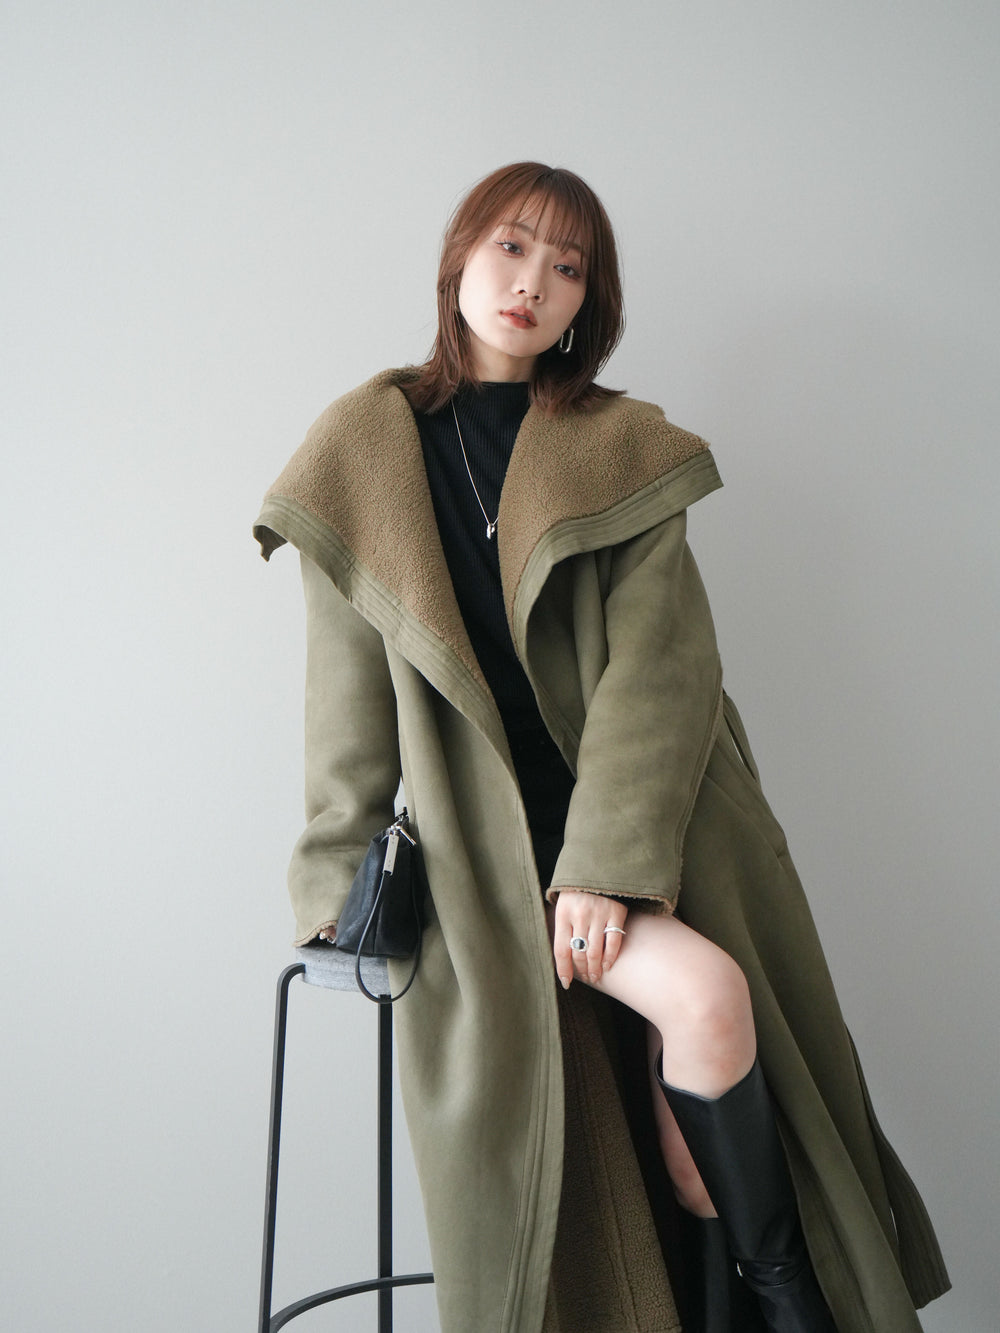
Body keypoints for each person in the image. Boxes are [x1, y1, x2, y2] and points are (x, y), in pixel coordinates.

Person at [255, 162, 949, 1333]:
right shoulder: (359, 450)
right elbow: (348, 705)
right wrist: (334, 874)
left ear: (590, 303)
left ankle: (787, 1310)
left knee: (694, 1144)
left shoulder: (619, 445)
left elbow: (662, 678)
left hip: (651, 831)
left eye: (566, 267)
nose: (531, 282)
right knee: (690, 1061)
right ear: (459, 255)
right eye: (511, 246)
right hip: (488, 863)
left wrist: (608, 867)